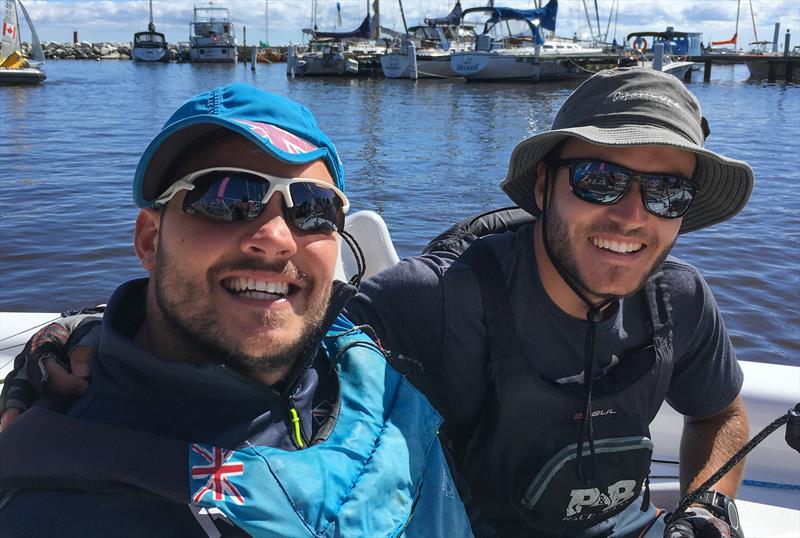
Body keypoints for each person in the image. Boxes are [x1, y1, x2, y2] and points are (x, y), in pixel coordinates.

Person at [2, 68, 753, 537]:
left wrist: (709, 509)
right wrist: (79, 337)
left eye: (666, 192)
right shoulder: (438, 299)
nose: (631, 215)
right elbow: (243, 320)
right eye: (224, 197)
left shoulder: (679, 298)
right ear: (542, 187)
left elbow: (719, 411)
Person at [0, 83, 473, 537]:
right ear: (150, 239)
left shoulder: (371, 344)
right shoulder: (48, 504)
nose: (276, 238)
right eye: (226, 197)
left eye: (314, 208)